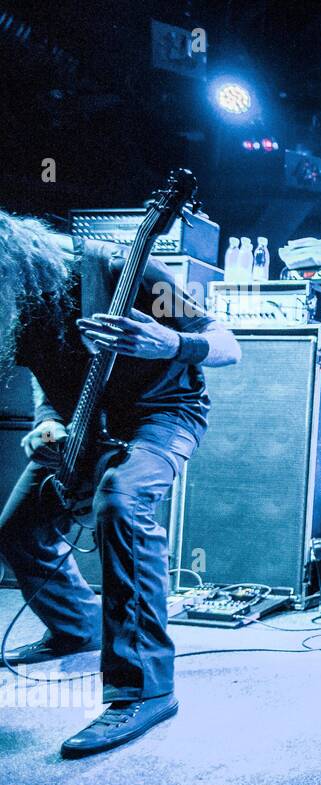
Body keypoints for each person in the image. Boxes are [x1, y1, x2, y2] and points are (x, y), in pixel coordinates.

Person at [0, 211, 240, 757]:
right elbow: (49, 372)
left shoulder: (119, 271)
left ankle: (145, 688)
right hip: (82, 421)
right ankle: (76, 627)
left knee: (122, 501)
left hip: (163, 413)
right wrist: (46, 419)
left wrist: (169, 344)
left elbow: (228, 342)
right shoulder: (22, 304)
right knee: (17, 530)